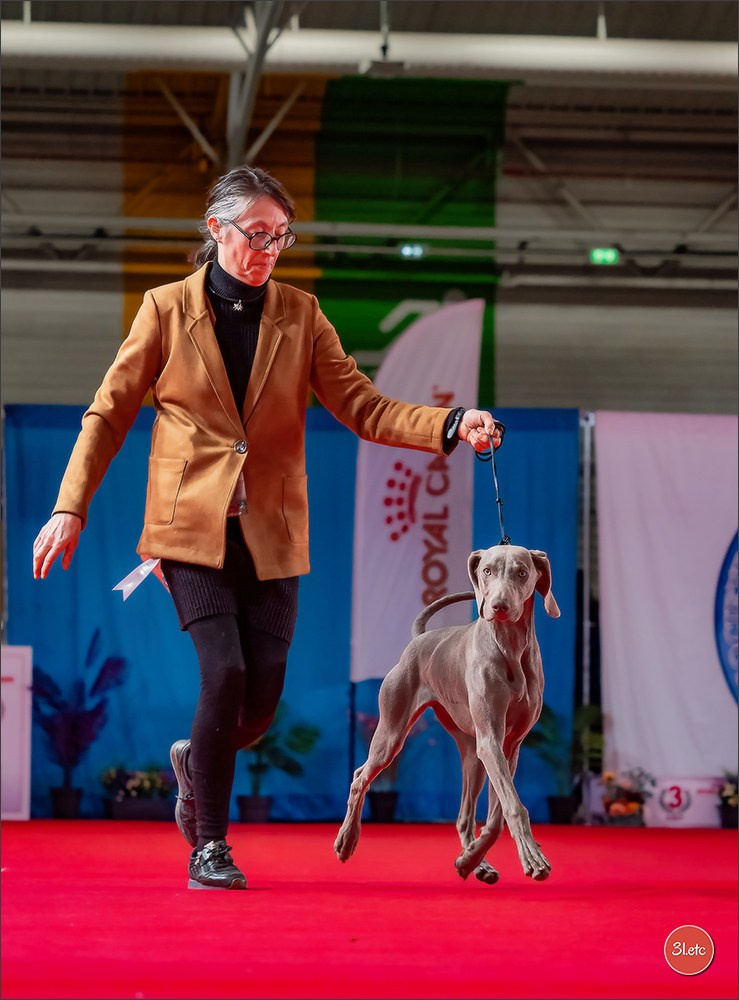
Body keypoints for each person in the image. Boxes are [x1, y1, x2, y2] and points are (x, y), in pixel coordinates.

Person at [32, 165, 503, 890]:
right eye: (256, 234)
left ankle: (195, 761)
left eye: (281, 237)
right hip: (189, 530)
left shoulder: (300, 314)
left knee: (257, 704)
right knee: (223, 671)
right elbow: (109, 413)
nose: (269, 250)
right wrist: (70, 505)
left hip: (272, 533)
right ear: (215, 229)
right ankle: (210, 846)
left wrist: (451, 422)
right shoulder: (164, 310)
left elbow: (364, 407)